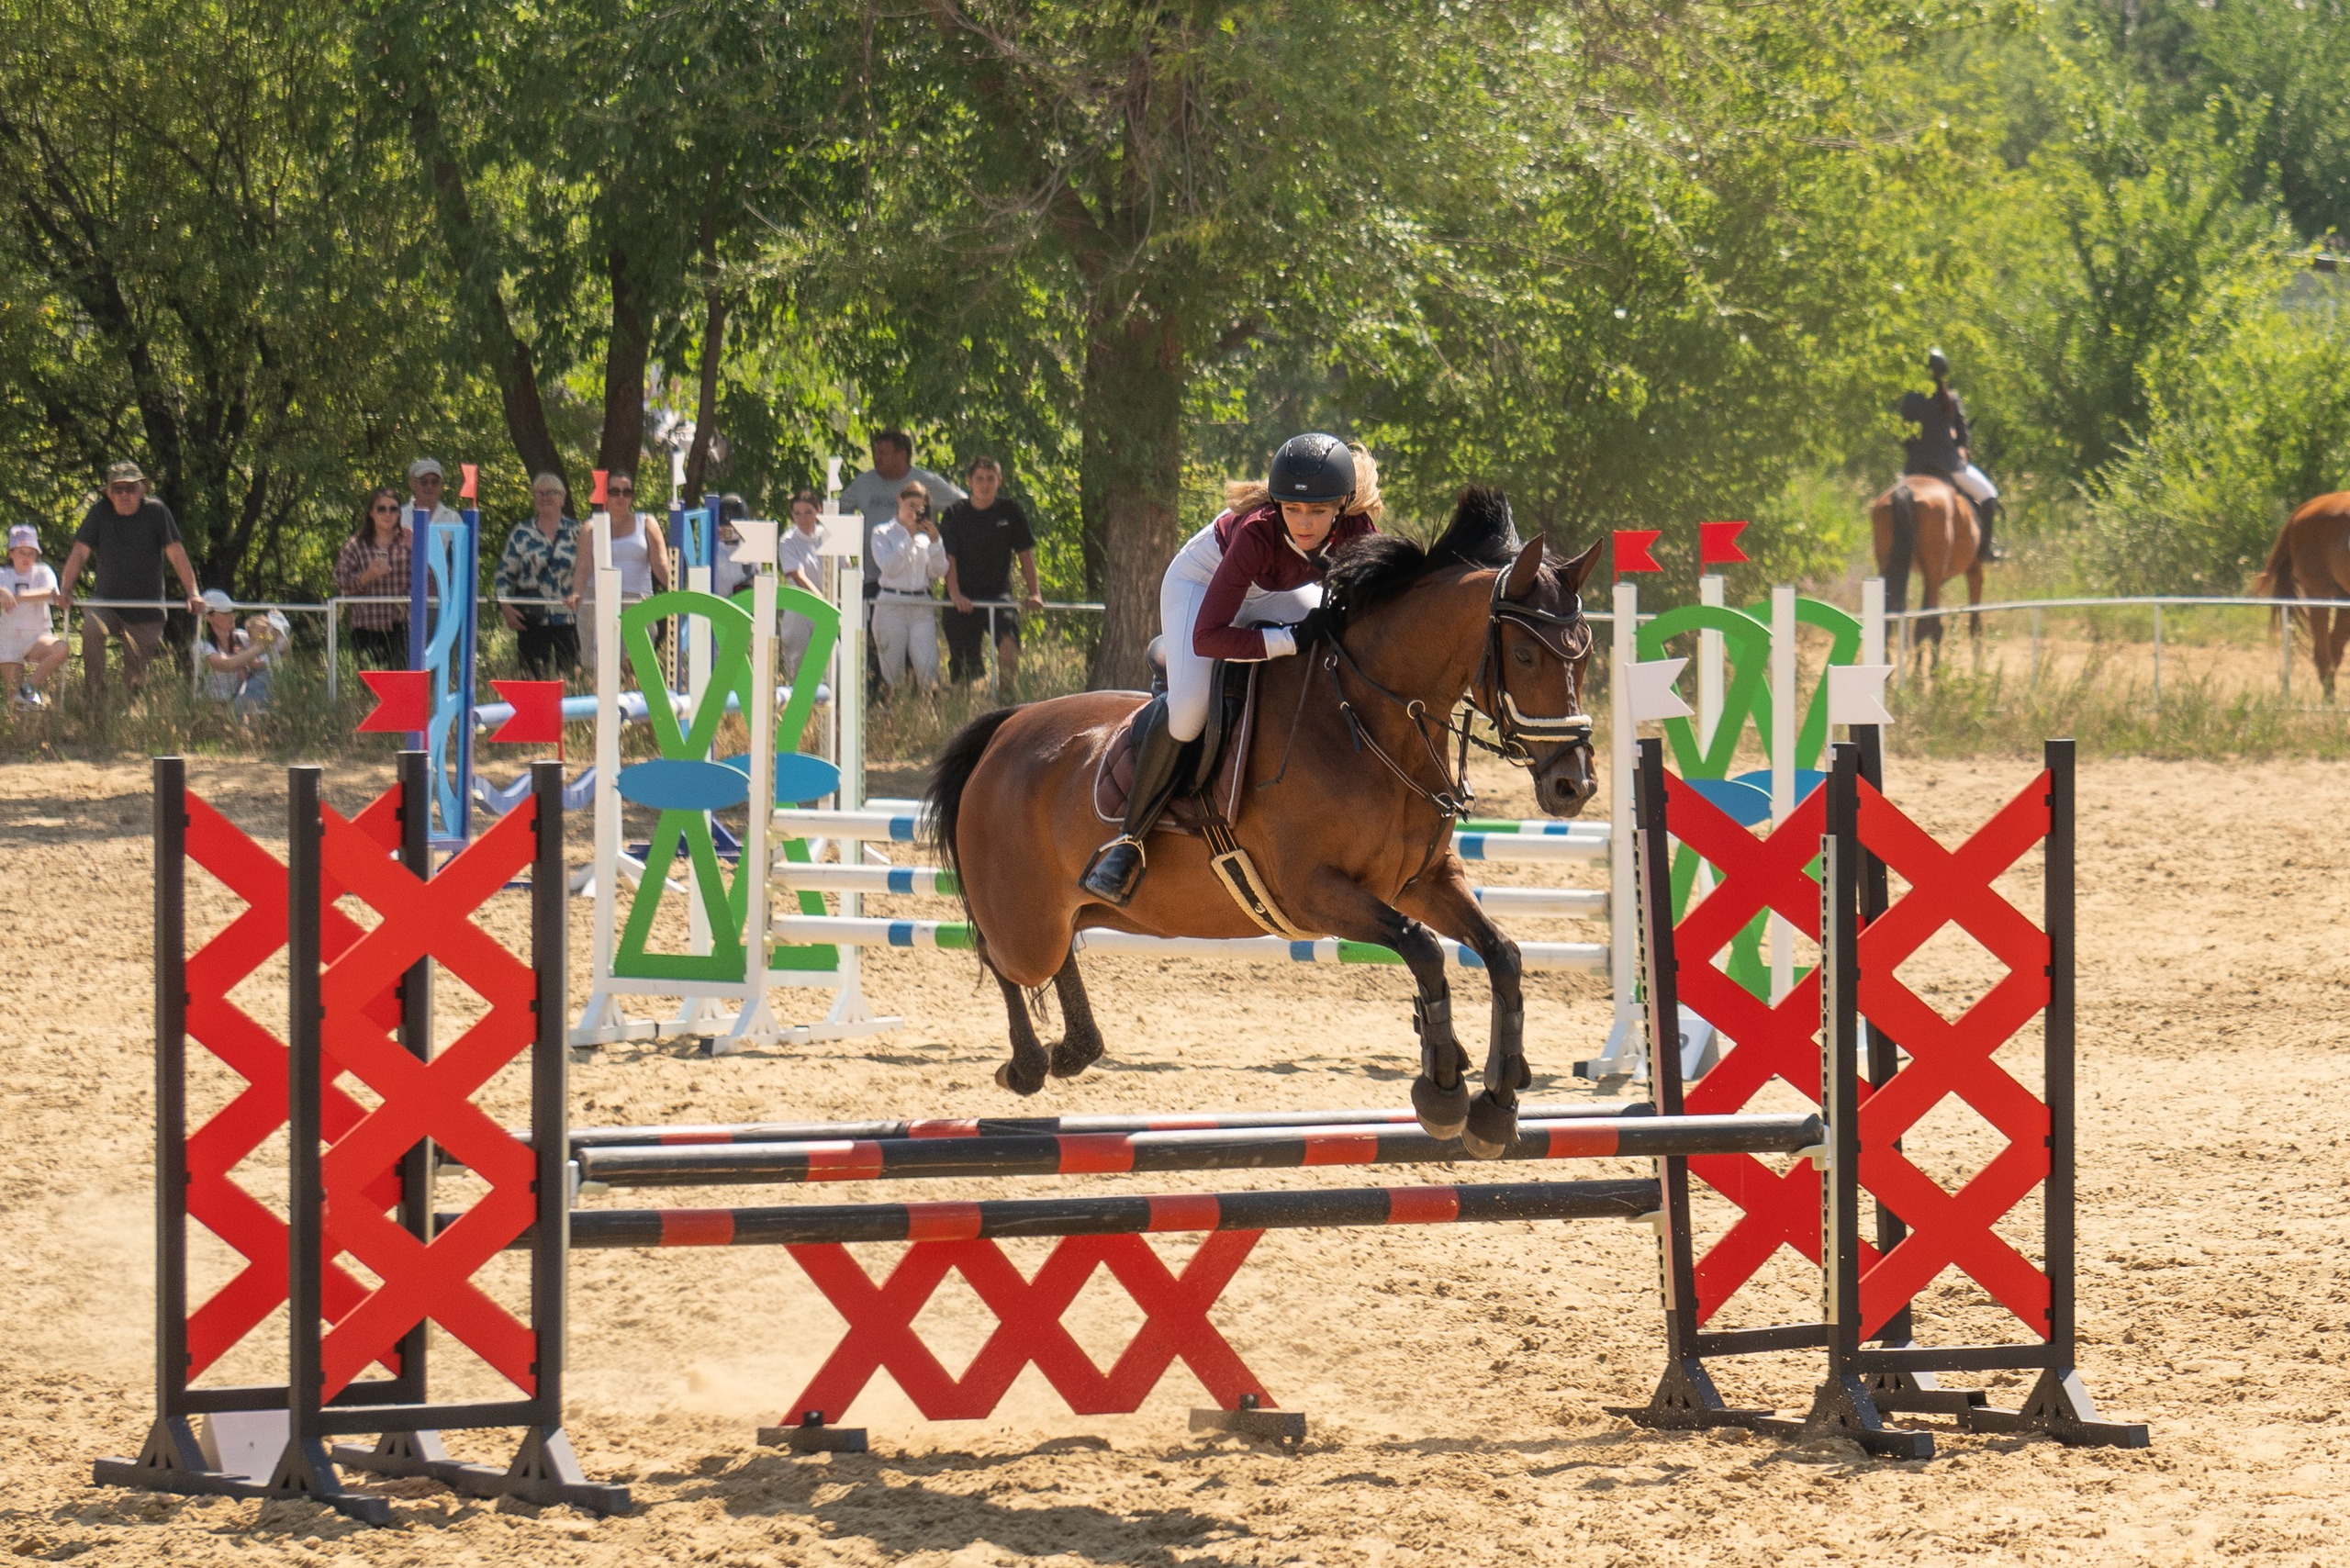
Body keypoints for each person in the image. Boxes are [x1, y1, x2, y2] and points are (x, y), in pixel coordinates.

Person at [1080, 433, 1382, 904]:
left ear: (1342, 508)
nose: (1304, 524)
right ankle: (1129, 840)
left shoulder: (1359, 532)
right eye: (1292, 509)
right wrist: (1289, 640)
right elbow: (1210, 636)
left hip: (1276, 588)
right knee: (1188, 713)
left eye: (1318, 511)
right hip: (1201, 590)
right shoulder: (1258, 532)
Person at [55, 461, 205, 700]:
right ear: (109, 493)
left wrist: (193, 592)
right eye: (118, 489)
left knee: (133, 680)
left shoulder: (157, 512)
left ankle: (130, 708)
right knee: (91, 628)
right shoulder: (99, 512)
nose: (124, 494)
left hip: (146, 608)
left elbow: (176, 553)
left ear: (142, 490)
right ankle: (94, 696)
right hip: (106, 603)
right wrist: (65, 589)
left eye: (130, 488)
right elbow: (80, 552)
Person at [837, 431, 964, 682]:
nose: (876, 457)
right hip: (873, 581)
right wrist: (843, 558)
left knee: (922, 660)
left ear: (902, 454)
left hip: (918, 588)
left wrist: (940, 538)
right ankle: (877, 700)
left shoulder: (926, 482)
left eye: (883, 452)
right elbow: (835, 512)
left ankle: (919, 704)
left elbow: (963, 506)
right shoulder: (864, 483)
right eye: (875, 452)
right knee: (876, 649)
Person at [939, 455, 1044, 690]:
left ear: (999, 480)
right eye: (979, 479)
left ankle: (1006, 700)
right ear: (969, 481)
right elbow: (949, 558)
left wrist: (1035, 592)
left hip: (998, 594)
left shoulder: (1011, 511)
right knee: (963, 667)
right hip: (962, 596)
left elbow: (1025, 553)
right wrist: (955, 594)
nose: (985, 484)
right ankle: (961, 715)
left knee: (1009, 641)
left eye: (990, 478)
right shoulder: (955, 514)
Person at [1897, 347, 2002, 563]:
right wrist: (1960, 450)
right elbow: (1963, 438)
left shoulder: (1909, 400)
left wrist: (1916, 452)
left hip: (1915, 467)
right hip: (1948, 465)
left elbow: (1902, 437)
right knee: (1989, 497)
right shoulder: (1950, 399)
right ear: (1942, 373)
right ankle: (1984, 553)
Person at [566, 470, 671, 675]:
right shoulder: (590, 527)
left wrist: (680, 592)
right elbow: (583, 568)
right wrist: (576, 594)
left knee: (636, 667)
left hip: (637, 602)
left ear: (632, 495)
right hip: (597, 601)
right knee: (597, 669)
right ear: (605, 494)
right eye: (614, 491)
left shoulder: (647, 523)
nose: (621, 497)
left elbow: (660, 564)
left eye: (626, 492)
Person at [496, 472, 581, 678]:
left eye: (550, 492)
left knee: (571, 679)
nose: (544, 497)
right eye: (539, 493)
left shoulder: (578, 532)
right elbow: (504, 573)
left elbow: (591, 571)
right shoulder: (522, 532)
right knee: (532, 680)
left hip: (567, 617)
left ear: (563, 498)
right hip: (531, 617)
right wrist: (505, 606)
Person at [867, 482, 946, 695]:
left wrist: (935, 542)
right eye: (911, 506)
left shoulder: (925, 537)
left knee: (927, 666)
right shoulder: (882, 532)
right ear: (900, 501)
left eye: (920, 508)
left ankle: (928, 709)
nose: (915, 512)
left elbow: (938, 571)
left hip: (920, 604)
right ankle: (890, 709)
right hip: (892, 602)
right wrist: (907, 538)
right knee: (891, 669)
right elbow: (889, 568)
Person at [331, 487, 412, 668]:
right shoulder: (357, 544)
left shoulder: (408, 540)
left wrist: (418, 550)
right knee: (371, 687)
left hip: (401, 625)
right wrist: (366, 576)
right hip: (366, 626)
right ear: (371, 513)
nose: (388, 514)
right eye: (381, 509)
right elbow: (340, 581)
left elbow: (429, 577)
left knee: (400, 684)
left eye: (393, 509)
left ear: (399, 513)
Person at [0, 524, 68, 707]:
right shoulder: (3, 575)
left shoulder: (43, 571)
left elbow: (52, 593)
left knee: (60, 648)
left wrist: (20, 597)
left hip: (37, 637)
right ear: (11, 553)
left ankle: (28, 688)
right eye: (22, 552)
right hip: (8, 640)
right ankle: (21, 732)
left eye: (31, 553)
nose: (27, 557)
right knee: (16, 705)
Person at [194, 589, 274, 717]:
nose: (232, 616)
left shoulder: (242, 636)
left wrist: (272, 628)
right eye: (225, 613)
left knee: (267, 674)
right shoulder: (201, 646)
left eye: (232, 612)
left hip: (242, 700)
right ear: (208, 617)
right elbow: (227, 665)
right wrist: (261, 645)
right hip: (213, 705)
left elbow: (274, 652)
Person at [776, 490, 827, 677]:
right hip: (800, 607)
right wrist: (821, 598)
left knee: (831, 664)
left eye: (808, 512)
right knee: (798, 666)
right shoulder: (788, 541)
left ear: (818, 511)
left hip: (824, 607)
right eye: (797, 513)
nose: (803, 518)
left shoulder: (828, 535)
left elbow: (843, 566)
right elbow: (797, 575)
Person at [404, 457, 461, 528]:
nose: (429, 486)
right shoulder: (399, 517)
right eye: (424, 482)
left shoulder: (453, 519)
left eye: (435, 482)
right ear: (412, 484)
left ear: (441, 485)